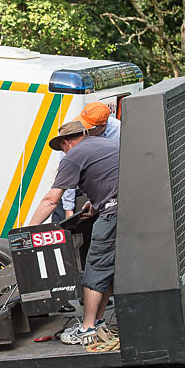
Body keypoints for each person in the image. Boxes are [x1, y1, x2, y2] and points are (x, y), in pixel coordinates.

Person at [28, 121, 119, 345]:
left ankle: (87, 328)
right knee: (105, 270)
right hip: (127, 210)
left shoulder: (73, 155)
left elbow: (51, 200)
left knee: (94, 268)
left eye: (62, 149)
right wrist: (94, 204)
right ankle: (98, 322)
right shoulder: (105, 144)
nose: (63, 153)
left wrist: (27, 231)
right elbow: (111, 179)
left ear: (67, 142)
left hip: (112, 214)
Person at [54, 103, 121, 221]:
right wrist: (68, 210)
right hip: (81, 183)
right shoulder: (73, 136)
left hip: (110, 188)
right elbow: (67, 174)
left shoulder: (118, 132)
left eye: (88, 127)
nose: (84, 130)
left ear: (102, 126)